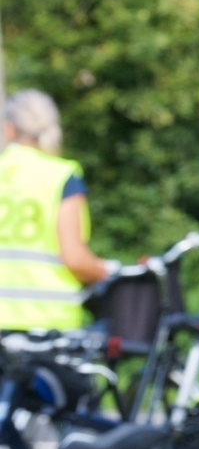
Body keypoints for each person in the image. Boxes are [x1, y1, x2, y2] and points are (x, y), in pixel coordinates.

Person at [0, 89, 115, 331]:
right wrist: (106, 270)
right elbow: (74, 258)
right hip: (47, 325)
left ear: (9, 128)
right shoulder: (60, 176)